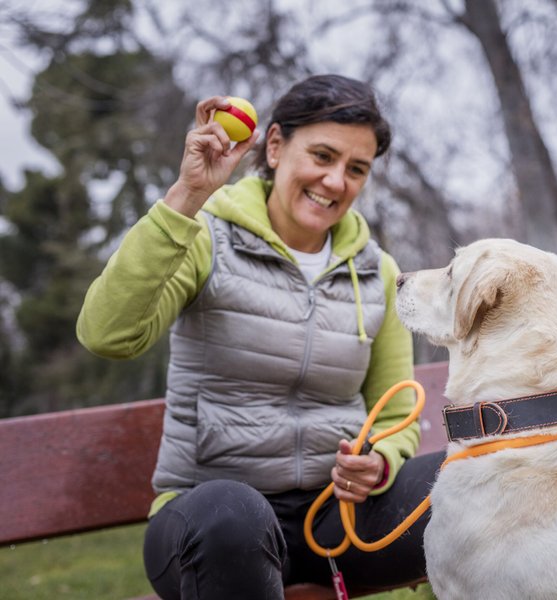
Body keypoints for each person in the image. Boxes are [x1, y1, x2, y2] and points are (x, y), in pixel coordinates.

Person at [76, 74, 444, 600]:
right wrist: (188, 196)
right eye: (322, 155)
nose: (335, 181)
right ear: (274, 146)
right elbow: (106, 334)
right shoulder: (204, 238)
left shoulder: (377, 272)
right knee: (232, 516)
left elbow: (393, 415)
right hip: (211, 526)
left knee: (471, 480)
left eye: (356, 168)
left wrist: (379, 462)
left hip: (334, 519)